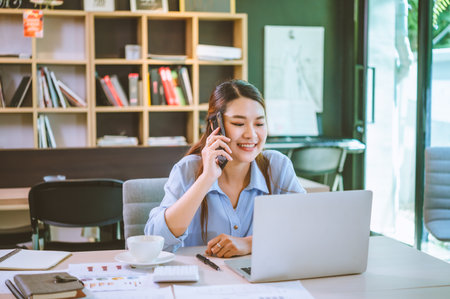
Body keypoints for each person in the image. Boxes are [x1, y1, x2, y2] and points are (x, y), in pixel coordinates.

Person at [145, 79, 305, 258]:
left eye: (259, 124)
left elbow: (306, 227)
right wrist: (206, 179)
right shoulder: (187, 169)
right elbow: (155, 241)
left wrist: (249, 243)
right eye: (238, 124)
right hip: (202, 280)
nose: (251, 134)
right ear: (216, 126)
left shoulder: (277, 166)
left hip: (260, 280)